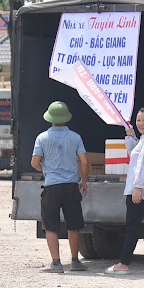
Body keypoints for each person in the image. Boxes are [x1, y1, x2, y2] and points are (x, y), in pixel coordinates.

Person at [30, 101, 89, 273]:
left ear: (50, 118)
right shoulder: (75, 137)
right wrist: (84, 180)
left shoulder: (42, 138)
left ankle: (56, 263)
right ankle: (75, 261)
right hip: (71, 186)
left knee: (51, 225)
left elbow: (34, 162)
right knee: (73, 225)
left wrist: (45, 169)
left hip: (51, 187)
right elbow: (85, 161)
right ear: (66, 118)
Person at [106, 107, 144, 274]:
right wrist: (131, 136)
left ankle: (124, 264)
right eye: (138, 120)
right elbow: (135, 154)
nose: (141, 123)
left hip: (141, 191)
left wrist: (138, 187)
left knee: (132, 227)